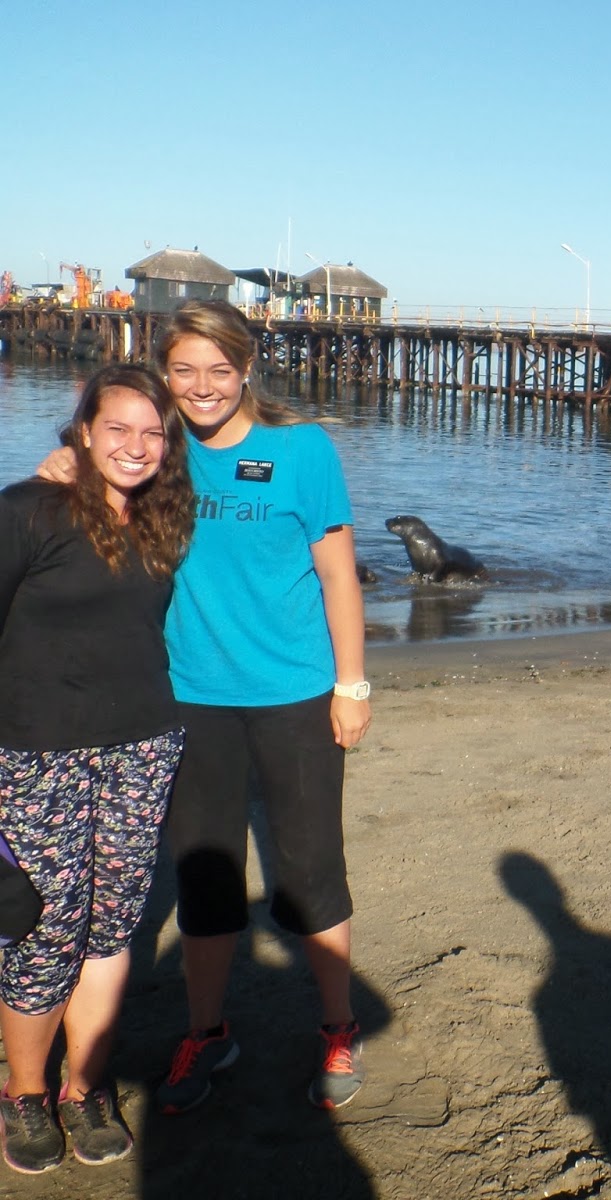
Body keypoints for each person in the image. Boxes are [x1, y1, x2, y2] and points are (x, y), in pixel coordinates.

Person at [39, 299, 373, 1116]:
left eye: (219, 369)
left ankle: (338, 1026)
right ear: (164, 371)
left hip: (295, 692)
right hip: (188, 695)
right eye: (183, 370)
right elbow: (102, 457)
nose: (202, 386)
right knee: (205, 873)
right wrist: (65, 458)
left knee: (310, 870)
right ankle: (207, 1032)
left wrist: (352, 685)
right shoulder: (160, 448)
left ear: (247, 367)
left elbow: (338, 574)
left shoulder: (302, 449)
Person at [0, 364, 194, 1173]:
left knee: (112, 926)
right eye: (117, 428)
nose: (135, 446)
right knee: (45, 926)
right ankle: (26, 1093)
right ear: (83, 432)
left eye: (153, 433)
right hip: (35, 752)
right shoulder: (27, 510)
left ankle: (85, 1087)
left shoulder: (163, 519)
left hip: (142, 745)